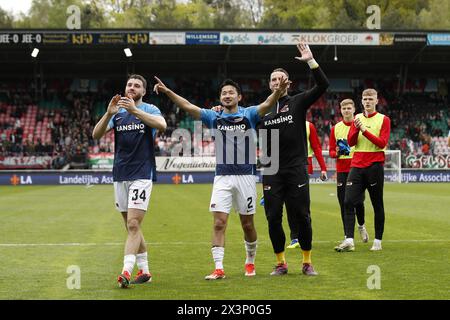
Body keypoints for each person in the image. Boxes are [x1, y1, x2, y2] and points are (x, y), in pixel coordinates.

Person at [153, 76, 290, 280]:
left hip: (246, 176)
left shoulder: (249, 114)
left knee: (247, 225)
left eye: (231, 92)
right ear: (220, 98)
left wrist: (278, 92)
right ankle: (219, 268)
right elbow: (188, 106)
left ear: (239, 97)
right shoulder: (213, 116)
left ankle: (250, 262)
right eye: (224, 93)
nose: (227, 95)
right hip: (222, 177)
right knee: (218, 223)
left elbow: (268, 104)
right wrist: (167, 92)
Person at [261, 42, 329, 276]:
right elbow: (238, 117)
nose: (277, 82)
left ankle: (307, 262)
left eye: (281, 78)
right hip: (271, 168)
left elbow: (323, 85)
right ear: (269, 84)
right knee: (272, 218)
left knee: (302, 215)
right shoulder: (262, 110)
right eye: (273, 79)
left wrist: (311, 61)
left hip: (296, 166)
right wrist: (221, 109)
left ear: (288, 83)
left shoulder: (297, 102)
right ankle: (280, 263)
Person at [92, 74, 167, 288]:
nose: (132, 88)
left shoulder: (150, 109)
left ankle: (126, 271)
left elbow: (161, 125)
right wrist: (108, 114)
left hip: (142, 173)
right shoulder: (117, 113)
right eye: (129, 85)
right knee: (130, 225)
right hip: (120, 173)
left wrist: (135, 110)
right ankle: (145, 271)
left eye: (137, 86)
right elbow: (96, 135)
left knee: (134, 223)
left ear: (143, 91)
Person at [335, 89, 391, 252]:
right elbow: (351, 142)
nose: (367, 101)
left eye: (370, 99)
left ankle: (378, 240)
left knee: (377, 203)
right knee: (348, 201)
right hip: (357, 165)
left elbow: (382, 143)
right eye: (365, 99)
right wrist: (357, 128)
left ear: (376, 101)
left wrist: (364, 131)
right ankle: (349, 240)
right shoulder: (357, 118)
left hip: (374, 165)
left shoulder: (384, 119)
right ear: (362, 101)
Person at [330, 99, 368, 252]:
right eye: (343, 108)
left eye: (348, 108)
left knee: (358, 202)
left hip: (357, 168)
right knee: (343, 203)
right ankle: (348, 237)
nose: (346, 110)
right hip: (342, 170)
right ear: (340, 110)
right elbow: (332, 151)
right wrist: (337, 153)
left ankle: (361, 225)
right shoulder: (335, 128)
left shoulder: (359, 124)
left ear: (353, 109)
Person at [286, 120, 327, 249]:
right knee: (290, 204)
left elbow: (316, 147)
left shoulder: (308, 126)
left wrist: (323, 168)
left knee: (303, 205)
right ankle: (294, 238)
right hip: (285, 166)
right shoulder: (282, 122)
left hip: (303, 166)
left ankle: (305, 236)